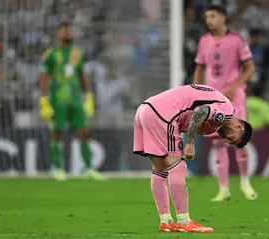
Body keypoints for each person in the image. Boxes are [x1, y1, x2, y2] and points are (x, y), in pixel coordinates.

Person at [133, 84, 253, 232]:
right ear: (239, 128)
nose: (226, 140)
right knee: (178, 165)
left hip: (145, 109)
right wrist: (190, 143)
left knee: (160, 169)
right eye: (232, 139)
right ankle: (184, 221)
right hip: (164, 114)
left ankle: (165, 221)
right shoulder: (226, 112)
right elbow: (200, 111)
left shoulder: (215, 119)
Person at [193, 5, 257, 201]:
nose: (208, 20)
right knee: (217, 141)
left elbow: (249, 68)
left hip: (235, 95)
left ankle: (245, 182)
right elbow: (200, 68)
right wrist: (197, 91)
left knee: (239, 134)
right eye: (206, 16)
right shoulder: (204, 41)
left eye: (212, 16)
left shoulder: (237, 40)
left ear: (222, 18)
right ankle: (223, 189)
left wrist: (235, 86)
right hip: (214, 95)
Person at [38, 22, 104, 181]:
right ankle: (58, 169)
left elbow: (82, 75)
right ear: (58, 34)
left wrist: (88, 95)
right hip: (58, 100)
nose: (67, 34)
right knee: (57, 133)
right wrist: (44, 99)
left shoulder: (77, 53)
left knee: (83, 132)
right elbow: (44, 77)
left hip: (75, 99)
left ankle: (89, 169)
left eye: (69, 31)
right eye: (64, 31)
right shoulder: (51, 54)